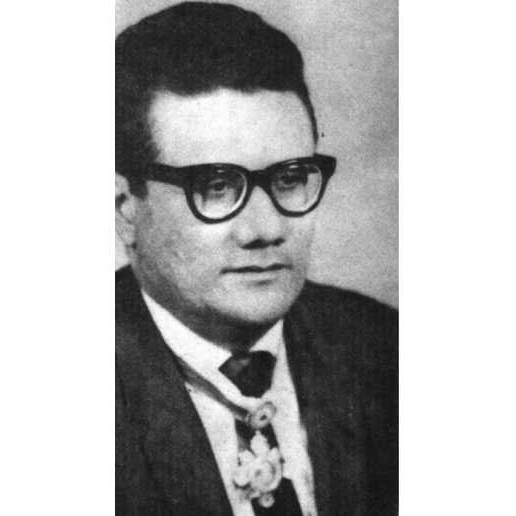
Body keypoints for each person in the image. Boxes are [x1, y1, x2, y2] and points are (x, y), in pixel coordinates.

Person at [115, 3, 398, 515]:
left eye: (289, 178)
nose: (265, 230)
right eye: (215, 186)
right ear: (125, 208)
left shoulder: (385, 350)